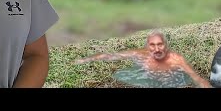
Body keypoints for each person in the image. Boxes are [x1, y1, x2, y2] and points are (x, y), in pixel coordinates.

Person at [75, 30, 211, 88]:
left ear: (165, 46)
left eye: (160, 44)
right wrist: (85, 60)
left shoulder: (176, 59)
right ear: (147, 47)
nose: (157, 49)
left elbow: (197, 78)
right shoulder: (141, 55)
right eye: (152, 45)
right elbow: (111, 55)